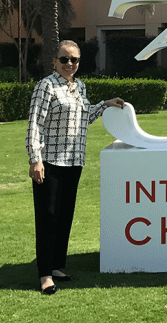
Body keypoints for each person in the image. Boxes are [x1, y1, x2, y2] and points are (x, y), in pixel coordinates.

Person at [26, 40, 126, 295]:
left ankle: (58, 265)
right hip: (50, 162)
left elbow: (84, 118)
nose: (70, 64)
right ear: (54, 61)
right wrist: (35, 159)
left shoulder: (79, 87)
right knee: (47, 218)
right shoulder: (46, 86)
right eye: (65, 59)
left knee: (64, 216)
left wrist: (105, 104)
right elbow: (35, 124)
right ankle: (45, 275)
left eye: (75, 60)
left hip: (74, 161)